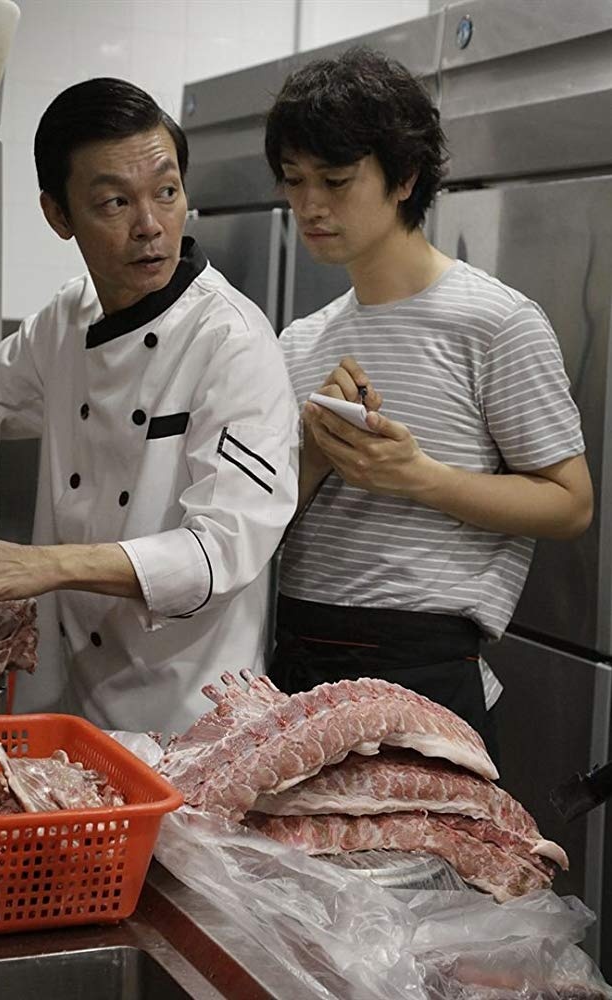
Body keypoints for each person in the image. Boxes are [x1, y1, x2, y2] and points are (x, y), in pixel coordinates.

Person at [263, 48, 593, 759]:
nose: (310, 205)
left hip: (425, 668)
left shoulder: (495, 322)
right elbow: (259, 531)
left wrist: (417, 477)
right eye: (294, 180)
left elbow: (571, 504)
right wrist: (314, 456)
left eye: (335, 180)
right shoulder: (299, 341)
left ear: (405, 177)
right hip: (295, 658)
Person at [0, 77, 299, 734]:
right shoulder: (68, 316)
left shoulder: (233, 342)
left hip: (188, 718)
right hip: (66, 696)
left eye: (166, 192)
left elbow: (221, 550)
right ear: (58, 215)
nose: (150, 226)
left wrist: (42, 565)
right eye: (114, 201)